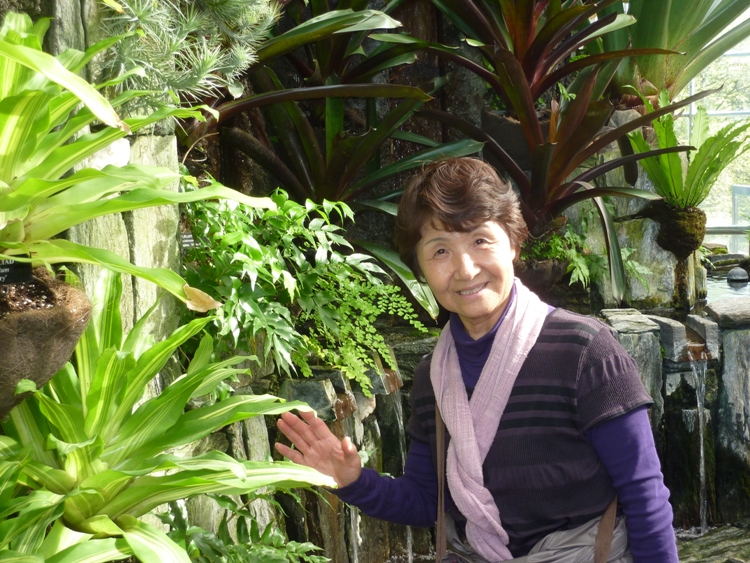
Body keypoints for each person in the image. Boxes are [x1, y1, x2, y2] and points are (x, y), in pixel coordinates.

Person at [275, 158, 678, 562]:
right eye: (440, 251)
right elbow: (423, 501)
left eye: (481, 241)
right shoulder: (435, 376)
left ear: (515, 243)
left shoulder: (586, 351)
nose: (465, 269)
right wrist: (352, 480)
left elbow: (645, 496)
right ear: (420, 269)